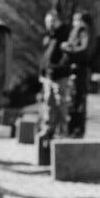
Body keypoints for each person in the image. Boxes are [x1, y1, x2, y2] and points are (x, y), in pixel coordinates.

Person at [38, 8, 70, 139]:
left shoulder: (65, 33)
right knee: (48, 103)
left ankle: (62, 131)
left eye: (52, 21)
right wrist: (42, 72)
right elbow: (44, 57)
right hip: (48, 75)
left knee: (61, 103)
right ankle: (48, 129)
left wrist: (60, 65)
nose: (50, 24)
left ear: (58, 21)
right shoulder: (49, 36)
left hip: (60, 75)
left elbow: (67, 55)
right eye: (48, 22)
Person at [61, 10, 92, 138]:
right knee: (76, 100)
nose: (74, 22)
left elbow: (84, 49)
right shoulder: (84, 29)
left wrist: (68, 49)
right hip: (79, 69)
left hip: (80, 69)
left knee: (76, 101)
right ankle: (75, 130)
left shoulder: (83, 29)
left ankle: (75, 130)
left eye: (75, 19)